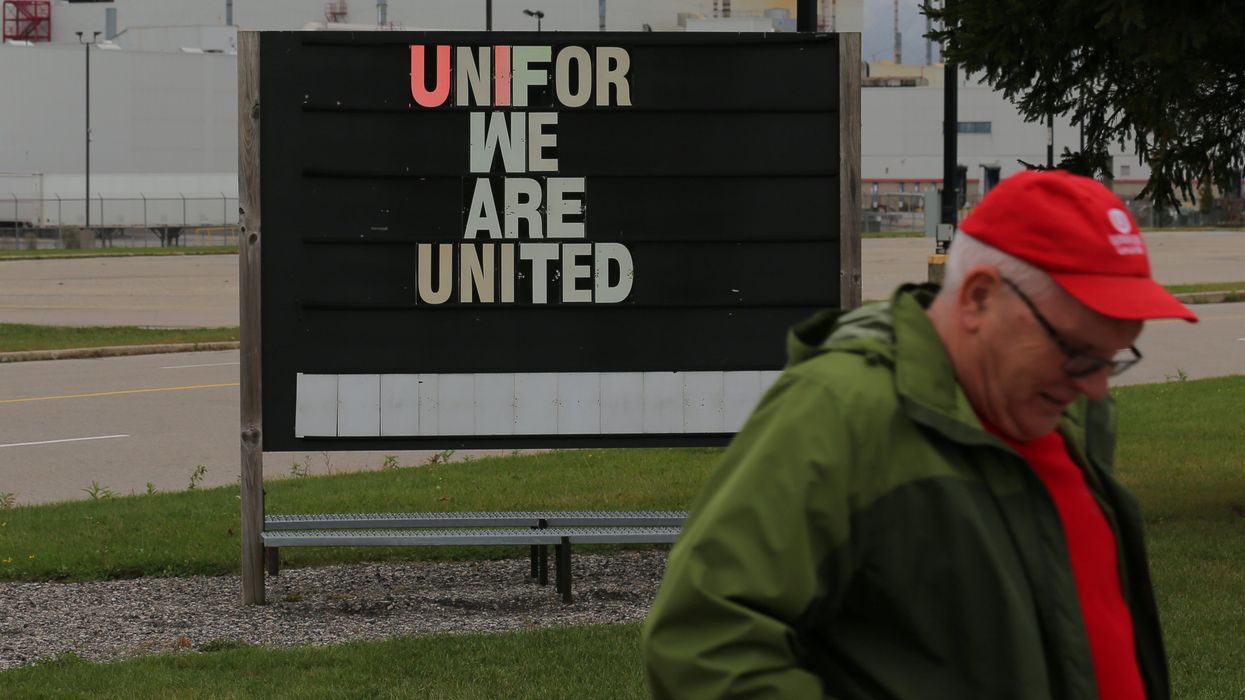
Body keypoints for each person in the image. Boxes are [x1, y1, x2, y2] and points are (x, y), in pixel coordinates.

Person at [642, 170, 1196, 699]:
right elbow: (703, 642)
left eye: (1111, 357)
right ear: (979, 298)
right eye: (1077, 353)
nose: (1097, 388)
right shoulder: (842, 410)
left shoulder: (1066, 416)